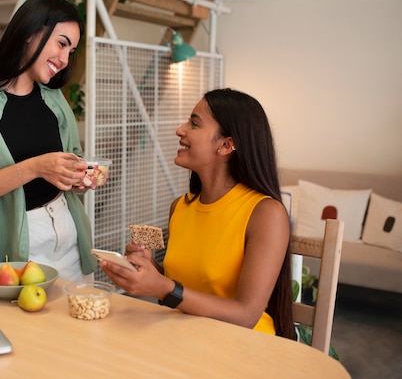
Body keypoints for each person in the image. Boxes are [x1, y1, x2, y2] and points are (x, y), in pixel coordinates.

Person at [100, 88, 296, 339]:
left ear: (226, 144)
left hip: (242, 347)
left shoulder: (265, 213)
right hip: (182, 337)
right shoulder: (180, 206)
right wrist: (148, 271)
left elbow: (246, 315)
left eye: (194, 123)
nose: (180, 130)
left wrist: (163, 287)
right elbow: (182, 284)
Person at [0, 0, 97, 282]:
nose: (64, 59)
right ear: (30, 32)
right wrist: (36, 167)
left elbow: (72, 158)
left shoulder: (55, 98)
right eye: (61, 43)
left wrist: (81, 176)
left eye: (71, 51)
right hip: (18, 242)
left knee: (80, 320)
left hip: (68, 229)